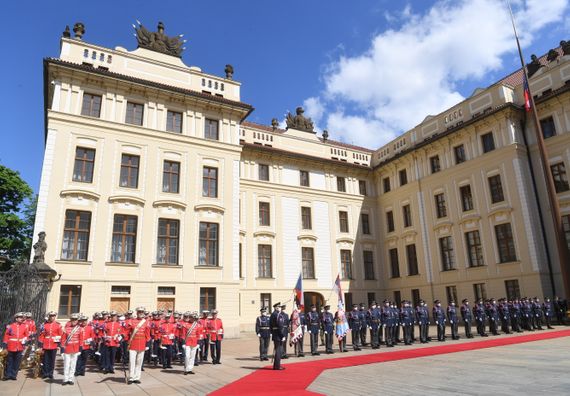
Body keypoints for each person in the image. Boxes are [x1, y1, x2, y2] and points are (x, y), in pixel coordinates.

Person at [126, 307, 151, 384]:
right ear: (136, 313)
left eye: (142, 312)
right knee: (131, 361)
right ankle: (131, 377)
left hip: (142, 345)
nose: (140, 313)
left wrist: (147, 344)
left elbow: (148, 334)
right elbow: (127, 332)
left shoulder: (146, 322)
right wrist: (125, 339)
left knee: (139, 362)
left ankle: (137, 377)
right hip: (133, 345)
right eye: (139, 311)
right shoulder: (131, 321)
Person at [1, 312, 29, 381]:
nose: (21, 319)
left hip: (19, 346)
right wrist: (4, 346)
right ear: (16, 319)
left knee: (17, 362)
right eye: (20, 317)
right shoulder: (10, 326)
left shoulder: (24, 326)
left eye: (22, 318)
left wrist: (25, 340)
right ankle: (8, 375)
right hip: (11, 346)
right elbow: (6, 336)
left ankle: (14, 375)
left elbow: (26, 336)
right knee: (9, 361)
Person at [38, 311, 62, 379]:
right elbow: (42, 335)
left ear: (55, 317)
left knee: (52, 360)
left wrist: (58, 345)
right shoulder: (44, 325)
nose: (52, 317)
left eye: (53, 316)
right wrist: (40, 346)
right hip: (46, 344)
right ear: (49, 317)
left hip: (54, 344)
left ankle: (50, 373)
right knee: (45, 360)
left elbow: (60, 335)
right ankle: (45, 373)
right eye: (51, 316)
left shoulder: (58, 325)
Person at [61, 313, 83, 385]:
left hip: (76, 349)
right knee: (66, 365)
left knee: (73, 365)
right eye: (72, 320)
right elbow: (63, 340)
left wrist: (80, 349)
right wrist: (62, 350)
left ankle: (71, 379)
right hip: (67, 349)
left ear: (77, 321)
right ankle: (65, 379)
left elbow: (81, 340)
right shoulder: (66, 329)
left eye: (75, 320)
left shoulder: (80, 329)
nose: (74, 321)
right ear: (70, 320)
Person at [269, 302, 286, 370]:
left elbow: (270, 325)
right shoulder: (277, 315)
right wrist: (282, 336)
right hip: (278, 335)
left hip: (275, 334)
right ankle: (277, 366)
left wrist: (272, 333)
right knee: (279, 351)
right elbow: (279, 326)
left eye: (280, 307)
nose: (280, 308)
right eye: (279, 307)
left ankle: (276, 365)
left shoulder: (272, 314)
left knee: (277, 350)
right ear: (276, 308)